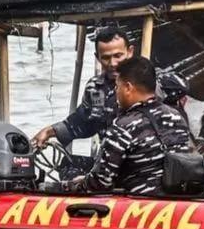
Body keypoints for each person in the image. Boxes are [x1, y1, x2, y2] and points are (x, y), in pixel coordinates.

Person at [32, 26, 188, 150]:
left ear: (130, 52)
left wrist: (145, 81)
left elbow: (182, 85)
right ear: (97, 57)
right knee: (68, 168)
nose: (113, 64)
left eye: (118, 56)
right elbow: (82, 122)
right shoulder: (95, 88)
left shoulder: (149, 78)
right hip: (113, 158)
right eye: (106, 58)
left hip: (152, 156)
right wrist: (49, 131)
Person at [71, 56, 194, 194]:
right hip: (177, 199)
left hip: (142, 202)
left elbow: (101, 183)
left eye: (117, 86)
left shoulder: (123, 126)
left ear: (128, 88)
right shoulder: (177, 117)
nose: (116, 91)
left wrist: (74, 185)